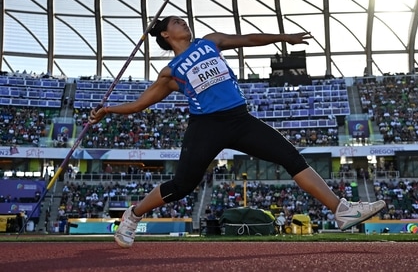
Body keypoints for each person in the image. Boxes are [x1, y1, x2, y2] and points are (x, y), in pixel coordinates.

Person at [89, 15, 386, 248]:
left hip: (240, 119)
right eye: (176, 22)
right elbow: (142, 103)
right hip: (206, 126)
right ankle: (134, 215)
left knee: (291, 157)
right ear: (166, 35)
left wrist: (284, 38)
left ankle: (342, 210)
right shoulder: (171, 71)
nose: (184, 23)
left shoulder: (209, 42)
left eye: (183, 19)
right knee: (181, 186)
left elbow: (249, 39)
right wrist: (107, 110)